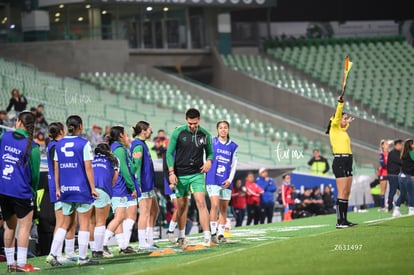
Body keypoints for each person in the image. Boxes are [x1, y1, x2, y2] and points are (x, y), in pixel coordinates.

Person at [46, 115, 99, 266]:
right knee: (84, 224)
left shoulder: (59, 144)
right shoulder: (84, 144)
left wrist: (57, 188)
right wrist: (93, 188)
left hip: (65, 190)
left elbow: (56, 167)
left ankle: (52, 254)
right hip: (81, 189)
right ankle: (82, 258)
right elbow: (88, 167)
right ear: (80, 126)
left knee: (64, 223)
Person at [166, 108, 214, 248]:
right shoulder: (178, 132)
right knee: (181, 207)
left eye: (195, 123)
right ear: (186, 120)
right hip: (180, 174)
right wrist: (171, 173)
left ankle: (207, 236)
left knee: (201, 202)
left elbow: (210, 153)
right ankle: (181, 236)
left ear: (199, 120)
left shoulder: (205, 134)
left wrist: (209, 162)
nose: (193, 126)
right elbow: (169, 153)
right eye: (190, 123)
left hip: (197, 173)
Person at [0, 111, 41, 272]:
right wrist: (33, 191)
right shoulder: (33, 146)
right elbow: (36, 175)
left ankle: (11, 264)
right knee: (24, 227)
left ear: (18, 122)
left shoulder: (4, 137)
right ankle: (23, 264)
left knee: (9, 227)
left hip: (3, 189)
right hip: (21, 191)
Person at [44, 122, 77, 263]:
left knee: (70, 221)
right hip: (60, 187)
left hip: (63, 186)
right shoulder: (55, 147)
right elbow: (57, 168)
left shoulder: (55, 146)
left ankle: (69, 253)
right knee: (62, 221)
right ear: (61, 132)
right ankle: (54, 254)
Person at [102, 126, 137, 256]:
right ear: (121, 136)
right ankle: (102, 244)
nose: (128, 137)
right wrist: (132, 187)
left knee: (120, 217)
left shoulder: (115, 148)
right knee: (120, 216)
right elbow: (125, 171)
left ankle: (123, 246)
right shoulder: (119, 150)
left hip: (117, 187)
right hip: (119, 187)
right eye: (126, 134)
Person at [326, 95, 356, 228]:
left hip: (348, 160)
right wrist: (340, 103)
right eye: (343, 118)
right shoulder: (334, 127)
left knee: (347, 192)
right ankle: (339, 221)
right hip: (340, 161)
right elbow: (337, 117)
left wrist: (347, 122)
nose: (345, 120)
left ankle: (345, 219)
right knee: (342, 192)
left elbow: (344, 125)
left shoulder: (342, 130)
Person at [206, 120, 238, 243]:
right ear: (217, 130)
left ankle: (221, 233)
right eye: (220, 128)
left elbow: (234, 165)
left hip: (226, 181)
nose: (223, 130)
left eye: (225, 127)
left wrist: (230, 180)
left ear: (228, 130)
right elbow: (206, 159)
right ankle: (213, 233)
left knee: (223, 208)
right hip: (212, 178)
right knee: (214, 205)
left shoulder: (233, 146)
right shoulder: (211, 142)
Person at [131, 121, 160, 249]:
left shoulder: (143, 144)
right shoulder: (138, 145)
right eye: (149, 129)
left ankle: (149, 239)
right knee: (145, 213)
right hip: (143, 185)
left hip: (149, 184)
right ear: (143, 130)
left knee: (155, 210)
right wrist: (137, 185)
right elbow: (136, 167)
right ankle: (143, 243)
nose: (151, 132)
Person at [91, 143, 119, 258]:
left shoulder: (92, 159)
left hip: (89, 190)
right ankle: (98, 250)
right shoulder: (113, 161)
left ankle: (93, 249)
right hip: (103, 189)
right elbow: (115, 178)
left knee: (90, 221)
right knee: (101, 221)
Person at [393, 139, 414, 217]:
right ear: (410, 145)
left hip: (401, 176)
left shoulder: (403, 154)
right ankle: (411, 210)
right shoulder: (412, 153)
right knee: (412, 193)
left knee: (403, 194)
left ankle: (396, 210)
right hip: (408, 176)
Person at [387, 139, 403, 212]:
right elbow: (401, 162)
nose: (402, 146)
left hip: (398, 175)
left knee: (404, 191)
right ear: (397, 145)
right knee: (392, 192)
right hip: (393, 175)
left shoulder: (398, 152)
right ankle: (390, 207)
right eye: (401, 144)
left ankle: (397, 205)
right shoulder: (393, 153)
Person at [377, 139, 389, 212]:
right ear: (382, 146)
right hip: (383, 174)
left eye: (387, 144)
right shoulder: (381, 154)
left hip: (391, 173)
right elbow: (382, 164)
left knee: (394, 189)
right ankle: (382, 207)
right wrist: (391, 166)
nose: (387, 145)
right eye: (386, 144)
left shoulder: (390, 153)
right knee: (383, 191)